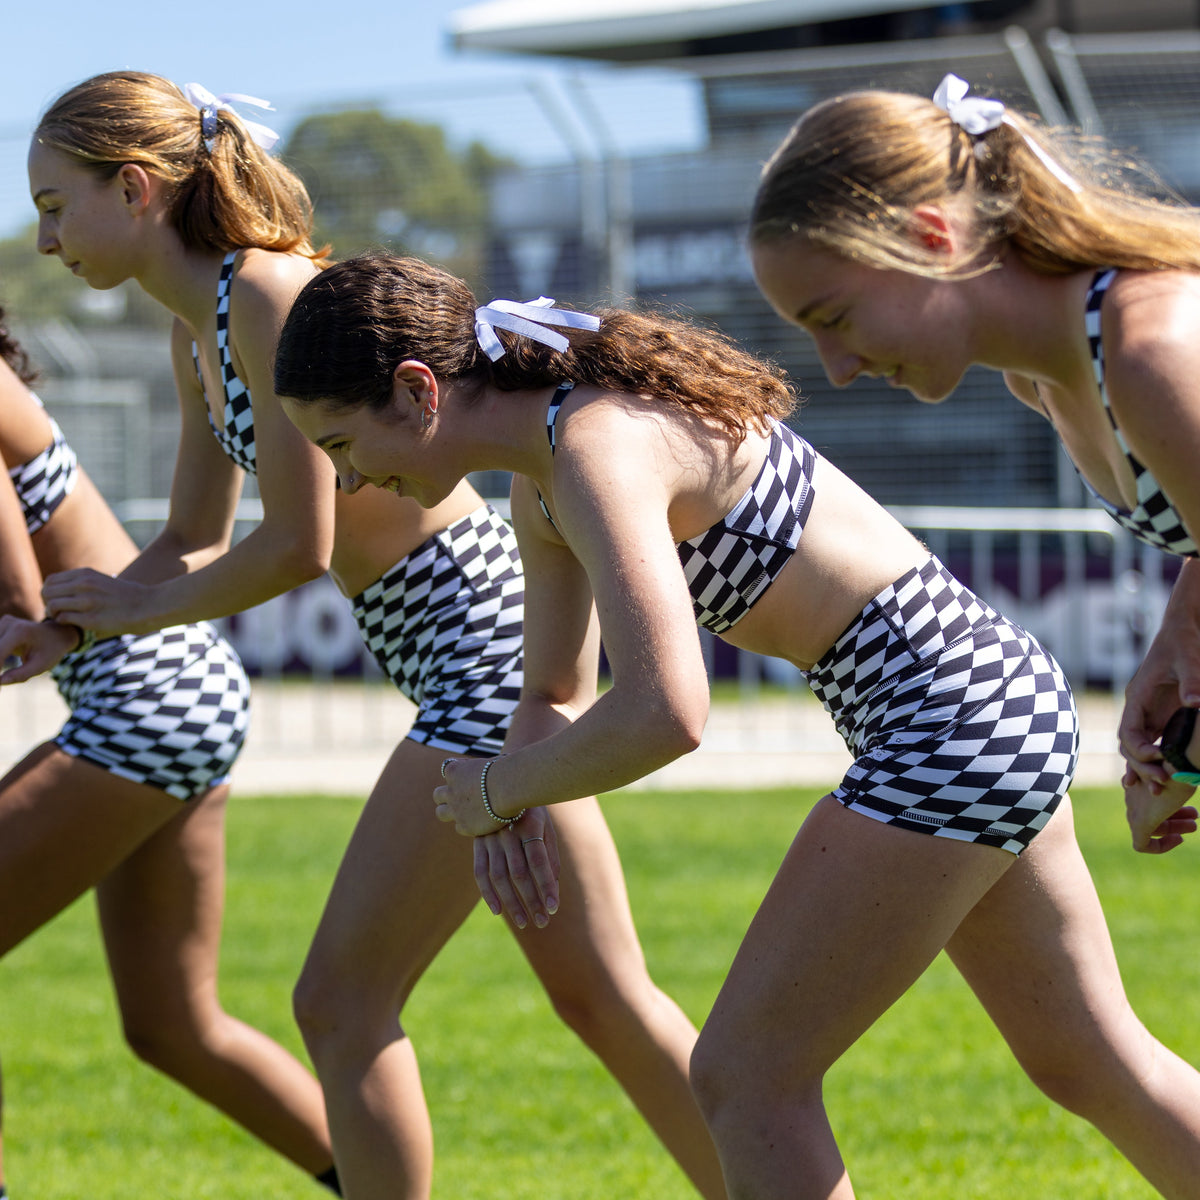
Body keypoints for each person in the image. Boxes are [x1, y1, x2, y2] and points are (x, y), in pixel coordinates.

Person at [272, 249, 1200, 1200]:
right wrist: (508, 804)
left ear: (419, 391)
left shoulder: (596, 447)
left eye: (342, 447)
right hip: (978, 703)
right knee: (1090, 1061)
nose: (346, 484)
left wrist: (494, 788)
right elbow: (551, 689)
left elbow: (666, 711)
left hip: (950, 717)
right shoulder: (542, 483)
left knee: (748, 1079)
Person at [10, 70, 725, 1200]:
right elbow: (192, 538)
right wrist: (77, 623)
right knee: (602, 994)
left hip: (480, 663)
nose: (44, 239)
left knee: (341, 1002)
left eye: (55, 205)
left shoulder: (266, 297)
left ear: (135, 190)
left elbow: (298, 543)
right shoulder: (196, 327)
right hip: (473, 663)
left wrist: (141, 609)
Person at [747, 72, 1200, 855]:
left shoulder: (1152, 351)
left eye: (837, 317)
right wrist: (1180, 638)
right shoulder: (1045, 378)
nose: (839, 367)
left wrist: (1190, 759)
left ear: (931, 236)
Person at [0, 313, 340, 1195]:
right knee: (171, 1026)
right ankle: (371, 1175)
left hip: (146, 699)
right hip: (173, 693)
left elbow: (15, 606)